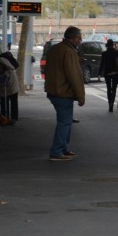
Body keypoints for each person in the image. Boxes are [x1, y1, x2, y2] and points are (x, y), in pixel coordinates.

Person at [44, 26, 85, 160]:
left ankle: (63, 148)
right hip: (63, 92)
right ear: (73, 38)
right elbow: (74, 76)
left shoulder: (55, 49)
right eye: (79, 38)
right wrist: (81, 96)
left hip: (54, 90)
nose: (81, 40)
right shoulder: (69, 52)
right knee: (64, 122)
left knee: (65, 121)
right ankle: (57, 151)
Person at [0, 51, 21, 121]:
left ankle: (13, 118)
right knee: (3, 101)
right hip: (2, 82)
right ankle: (3, 117)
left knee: (13, 101)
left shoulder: (1, 60)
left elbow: (11, 68)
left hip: (11, 81)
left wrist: (5, 76)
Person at [99, 39, 118, 112]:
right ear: (113, 45)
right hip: (115, 73)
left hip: (107, 73)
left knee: (108, 89)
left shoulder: (104, 53)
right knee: (114, 89)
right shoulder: (116, 52)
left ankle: (109, 103)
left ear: (107, 45)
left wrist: (99, 74)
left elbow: (102, 64)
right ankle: (112, 103)